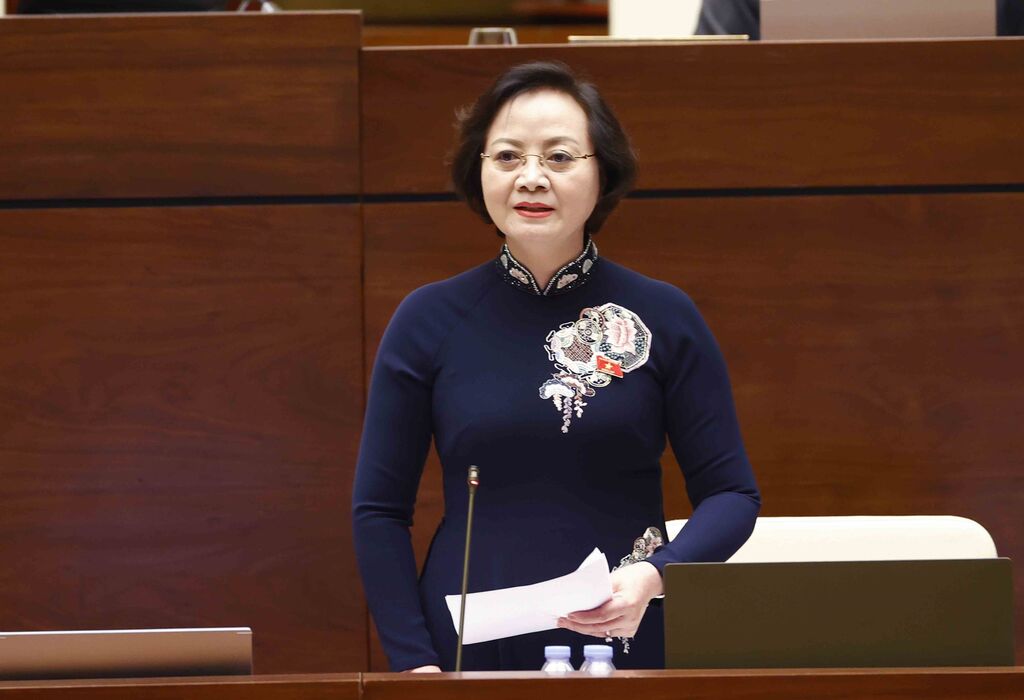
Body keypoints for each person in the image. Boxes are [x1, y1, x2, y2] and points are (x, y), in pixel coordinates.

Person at [352, 60, 761, 673]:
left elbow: (732, 494)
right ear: (478, 172)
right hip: (464, 655)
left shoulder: (663, 315)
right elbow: (379, 510)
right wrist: (415, 665)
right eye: (507, 157)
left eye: (560, 157)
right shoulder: (427, 319)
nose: (531, 178)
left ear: (604, 172)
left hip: (628, 638)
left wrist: (658, 574)